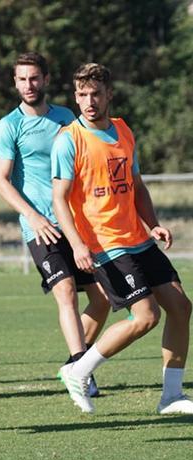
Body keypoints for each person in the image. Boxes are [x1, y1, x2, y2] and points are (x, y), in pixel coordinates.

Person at [52, 63, 193, 415]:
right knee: (146, 316)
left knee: (180, 307)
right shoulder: (69, 139)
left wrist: (153, 224)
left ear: (109, 94)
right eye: (82, 95)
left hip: (138, 239)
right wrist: (77, 245)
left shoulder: (123, 130)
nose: (89, 102)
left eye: (95, 94)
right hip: (105, 245)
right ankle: (78, 370)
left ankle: (171, 396)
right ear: (75, 96)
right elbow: (59, 199)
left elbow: (137, 186)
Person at [0, 52, 110, 396]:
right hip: (39, 226)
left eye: (34, 78)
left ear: (45, 79)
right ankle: (82, 366)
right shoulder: (8, 126)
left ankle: (75, 366)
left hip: (75, 223)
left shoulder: (66, 117)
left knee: (102, 300)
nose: (28, 85)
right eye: (21, 79)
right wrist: (33, 216)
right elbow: (2, 180)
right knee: (66, 292)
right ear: (14, 82)